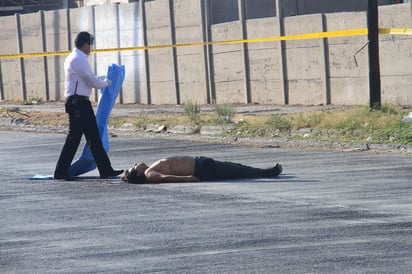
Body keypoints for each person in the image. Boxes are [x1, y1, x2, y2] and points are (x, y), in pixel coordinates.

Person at [54, 31, 123, 180]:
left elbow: (88, 78)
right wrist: (107, 83)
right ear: (85, 45)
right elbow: (92, 82)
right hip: (78, 102)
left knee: (93, 137)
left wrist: (103, 78)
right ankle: (60, 172)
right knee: (74, 138)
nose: (90, 48)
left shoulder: (76, 58)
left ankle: (106, 170)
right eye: (90, 45)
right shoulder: (78, 59)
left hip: (79, 102)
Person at [121, 156, 282, 184]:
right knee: (236, 170)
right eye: (134, 166)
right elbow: (166, 178)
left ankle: (264, 171)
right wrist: (189, 178)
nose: (136, 163)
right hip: (200, 169)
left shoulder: (149, 169)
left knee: (235, 168)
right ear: (138, 173)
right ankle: (269, 172)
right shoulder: (150, 174)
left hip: (200, 163)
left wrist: (126, 176)